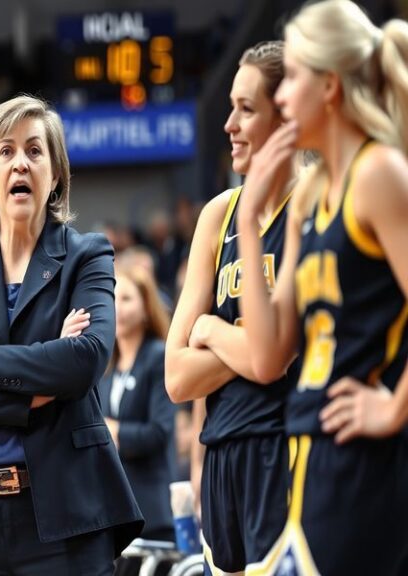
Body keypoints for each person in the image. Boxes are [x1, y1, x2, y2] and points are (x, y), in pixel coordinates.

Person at [0, 94, 142, 575]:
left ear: (55, 174)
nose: (21, 163)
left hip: (66, 519)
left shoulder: (88, 256)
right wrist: (33, 392)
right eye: (7, 151)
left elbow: (85, 360)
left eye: (35, 152)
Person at [235, 2, 408, 574]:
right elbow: (267, 353)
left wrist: (393, 408)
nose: (282, 98)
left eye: (296, 80)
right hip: (308, 461)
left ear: (330, 86)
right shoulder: (310, 198)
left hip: (369, 464)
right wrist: (249, 222)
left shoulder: (379, 174)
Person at [165, 41, 295, 575]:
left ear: (285, 113)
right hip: (219, 455)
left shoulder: (312, 203)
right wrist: (251, 341)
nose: (229, 124)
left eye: (246, 109)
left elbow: (277, 361)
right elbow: (176, 377)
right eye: (230, 107)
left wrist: (212, 328)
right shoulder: (219, 215)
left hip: (282, 446)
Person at [99, 265, 176, 543]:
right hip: (113, 511)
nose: (117, 307)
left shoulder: (157, 356)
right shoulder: (106, 367)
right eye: (113, 298)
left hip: (151, 510)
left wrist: (113, 431)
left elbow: (159, 432)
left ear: (146, 308)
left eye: (127, 299)